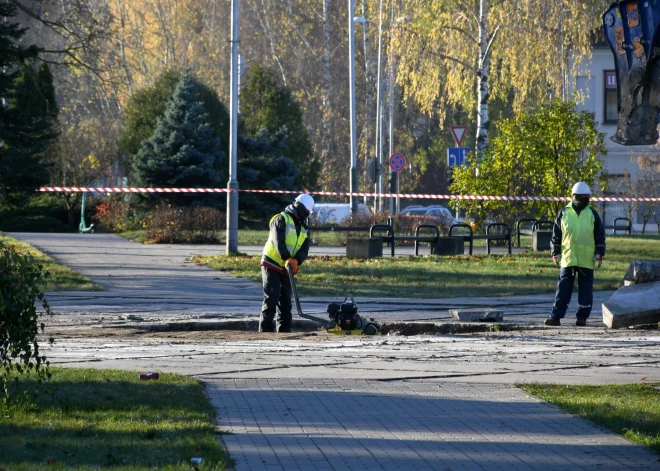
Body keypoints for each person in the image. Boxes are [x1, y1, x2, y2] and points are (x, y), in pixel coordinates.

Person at [545, 182, 606, 327]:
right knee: (563, 289)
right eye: (584, 196)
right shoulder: (564, 213)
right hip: (568, 257)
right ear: (575, 197)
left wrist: (600, 252)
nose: (587, 199)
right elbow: (556, 235)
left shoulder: (592, 214)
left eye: (588, 196)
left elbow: (600, 234)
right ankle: (555, 316)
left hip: (587, 258)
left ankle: (582, 318)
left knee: (586, 291)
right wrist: (555, 252)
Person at [259, 194, 314, 333]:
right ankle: (265, 333)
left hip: (287, 266)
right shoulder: (281, 219)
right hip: (271, 263)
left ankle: (284, 332)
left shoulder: (304, 226)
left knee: (285, 302)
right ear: (298, 206)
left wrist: (297, 260)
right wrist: (287, 257)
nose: (307, 214)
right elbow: (279, 242)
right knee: (271, 298)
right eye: (306, 211)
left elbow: (304, 248)